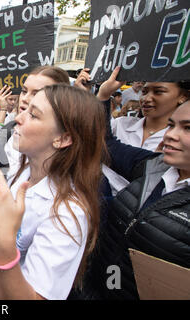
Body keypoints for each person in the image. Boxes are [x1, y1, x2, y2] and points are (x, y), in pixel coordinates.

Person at [0, 84, 107, 300]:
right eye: (25, 109)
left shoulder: (66, 212)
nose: (19, 117)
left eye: (34, 115)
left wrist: (0, 244)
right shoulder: (24, 171)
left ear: (63, 138)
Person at [75, 67, 190, 300]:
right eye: (170, 125)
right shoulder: (152, 166)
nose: (171, 136)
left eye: (187, 128)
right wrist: (102, 97)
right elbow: (105, 144)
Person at [111, 81, 188, 151]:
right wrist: (103, 95)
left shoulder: (183, 139)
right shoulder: (119, 124)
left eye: (158, 92)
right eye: (144, 92)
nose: (146, 99)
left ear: (183, 97)